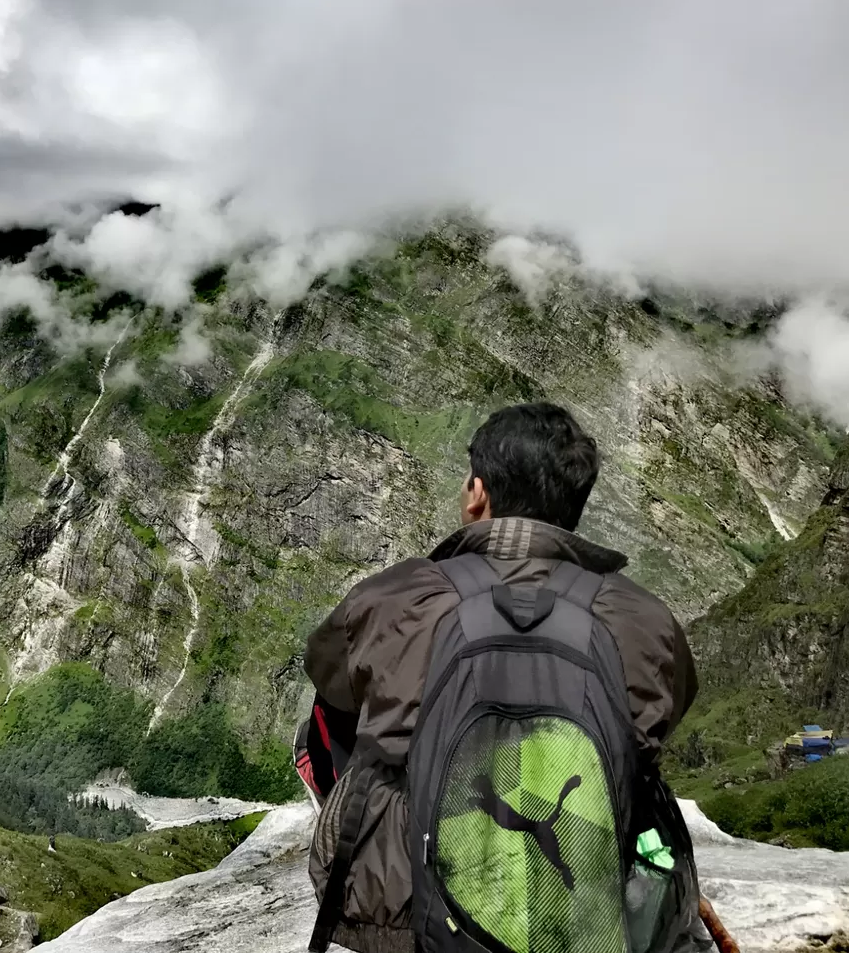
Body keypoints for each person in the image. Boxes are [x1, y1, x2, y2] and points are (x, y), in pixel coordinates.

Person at [300, 402, 708, 953]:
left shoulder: (394, 597)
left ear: (477, 493)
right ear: (573, 510)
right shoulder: (646, 619)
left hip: (405, 910)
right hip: (592, 893)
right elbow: (667, 714)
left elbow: (328, 675)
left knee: (326, 721)